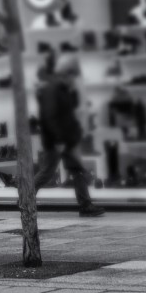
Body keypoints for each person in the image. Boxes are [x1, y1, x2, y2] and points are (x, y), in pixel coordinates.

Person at [35, 51, 104, 218]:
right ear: (67, 74)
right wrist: (58, 139)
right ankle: (25, 197)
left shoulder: (64, 90)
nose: (75, 80)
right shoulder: (52, 90)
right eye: (73, 76)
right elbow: (49, 117)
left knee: (77, 170)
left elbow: (67, 113)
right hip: (56, 140)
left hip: (66, 139)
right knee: (47, 172)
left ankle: (85, 205)